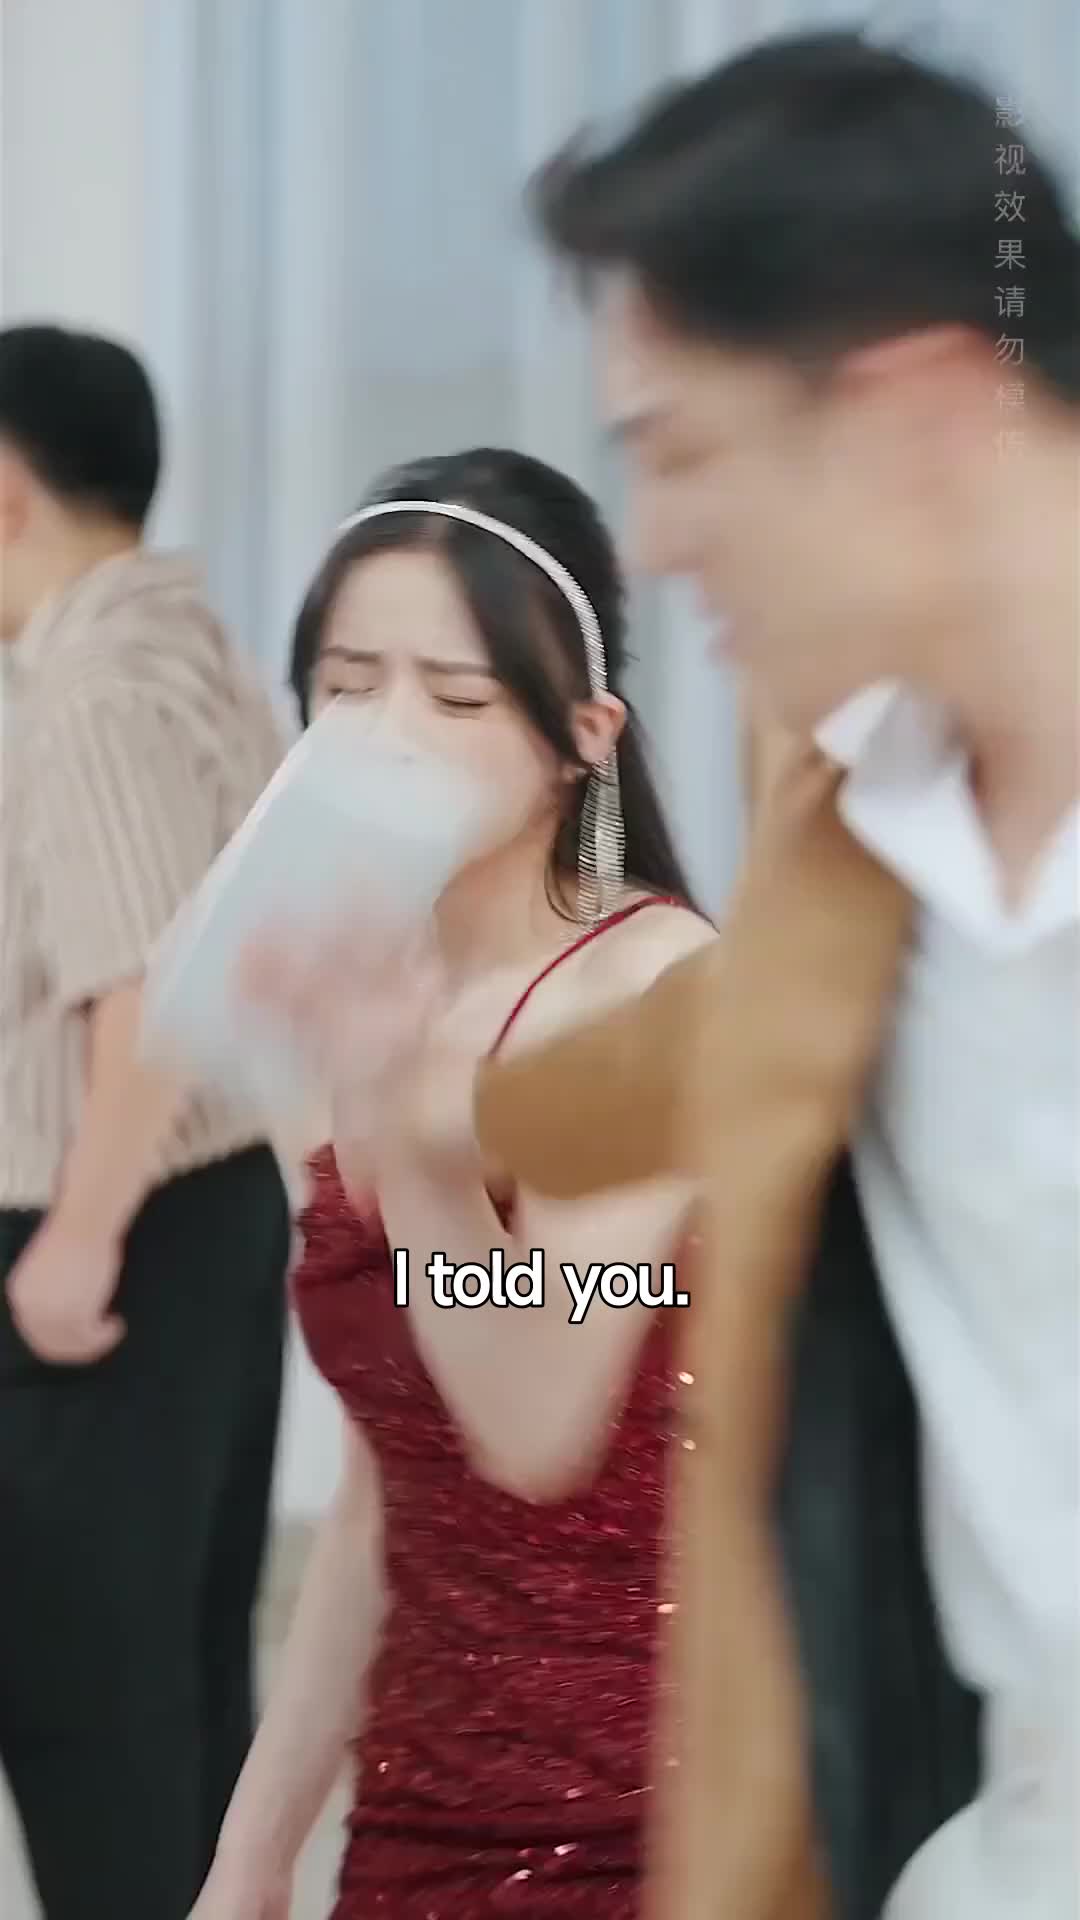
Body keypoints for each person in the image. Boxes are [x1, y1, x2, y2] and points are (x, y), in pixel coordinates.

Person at [472, 29, 1079, 1920]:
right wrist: (429, 1070)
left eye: (685, 452)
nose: (654, 540)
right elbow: (690, 1056)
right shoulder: (859, 838)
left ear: (915, 412)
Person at [189, 446, 715, 1919]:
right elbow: (389, 1491)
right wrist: (253, 1853)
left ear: (582, 739)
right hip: (421, 1803)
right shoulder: (369, 996)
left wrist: (408, 1135)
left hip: (659, 1822)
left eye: (459, 698)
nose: (390, 736)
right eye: (349, 686)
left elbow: (532, 1413)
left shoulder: (653, 999)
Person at [0, 324, 290, 1920]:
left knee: (88, 1716)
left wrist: (77, 1244)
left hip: (107, 1242)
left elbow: (145, 987)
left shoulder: (89, 688)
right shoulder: (195, 649)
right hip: (217, 1211)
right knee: (178, 1693)